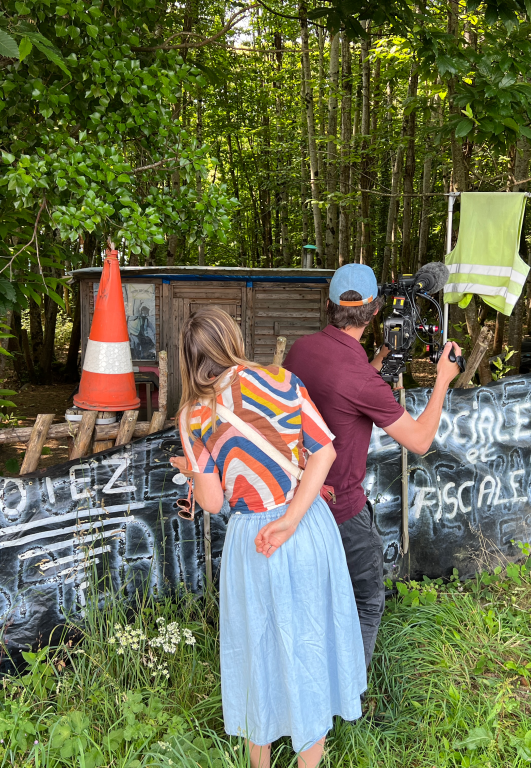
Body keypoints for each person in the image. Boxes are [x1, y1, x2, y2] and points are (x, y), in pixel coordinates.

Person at [169, 307, 366, 768]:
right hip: (308, 527)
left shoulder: (193, 416)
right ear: (232, 338)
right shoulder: (283, 381)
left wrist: (195, 473)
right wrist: (293, 518)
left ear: (189, 358)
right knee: (312, 643)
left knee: (257, 647)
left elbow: (214, 502)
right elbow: (323, 452)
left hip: (252, 541)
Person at [284, 263, 462, 672]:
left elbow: (337, 388)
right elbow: (418, 440)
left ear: (330, 306)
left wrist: (380, 359)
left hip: (296, 501)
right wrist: (441, 380)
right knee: (366, 599)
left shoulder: (300, 351)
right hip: (341, 510)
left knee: (311, 600)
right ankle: (347, 696)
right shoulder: (363, 381)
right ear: (375, 311)